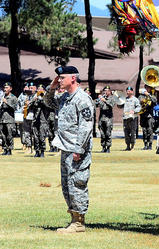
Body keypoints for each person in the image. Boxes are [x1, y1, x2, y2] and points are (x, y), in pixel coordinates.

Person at [44, 66, 95, 234]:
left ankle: (79, 222)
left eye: (62, 77)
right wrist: (52, 88)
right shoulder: (65, 97)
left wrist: (79, 149)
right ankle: (74, 218)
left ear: (73, 78)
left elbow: (86, 127)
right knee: (67, 186)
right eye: (58, 77)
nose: (59, 80)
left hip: (77, 150)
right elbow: (48, 102)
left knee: (77, 184)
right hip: (65, 148)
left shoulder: (82, 99)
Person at [95, 86, 119, 153]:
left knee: (108, 133)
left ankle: (108, 147)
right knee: (102, 134)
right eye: (105, 90)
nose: (106, 92)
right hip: (101, 118)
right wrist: (98, 99)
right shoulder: (102, 98)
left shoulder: (112, 98)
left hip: (108, 118)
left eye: (107, 90)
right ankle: (103, 147)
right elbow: (96, 105)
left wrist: (105, 101)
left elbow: (111, 105)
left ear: (110, 91)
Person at [0, 82, 18, 155]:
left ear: (10, 88)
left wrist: (6, 102)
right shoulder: (1, 97)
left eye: (7, 88)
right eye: (4, 88)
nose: (5, 89)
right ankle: (5, 149)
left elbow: (15, 108)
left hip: (9, 120)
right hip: (1, 119)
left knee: (9, 135)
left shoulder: (13, 97)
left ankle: (9, 150)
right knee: (2, 135)